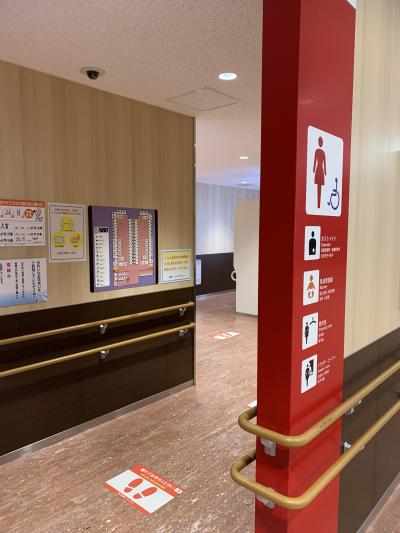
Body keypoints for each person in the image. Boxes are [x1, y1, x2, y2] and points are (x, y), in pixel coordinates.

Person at [313, 136, 327, 208]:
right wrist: (313, 169)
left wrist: (325, 172)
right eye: (320, 141)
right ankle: (318, 204)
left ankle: (319, 205)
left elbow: (325, 163)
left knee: (320, 187)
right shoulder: (317, 151)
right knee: (318, 186)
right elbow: (315, 161)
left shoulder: (322, 152)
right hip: (319, 169)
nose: (321, 143)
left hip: (320, 170)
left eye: (321, 142)